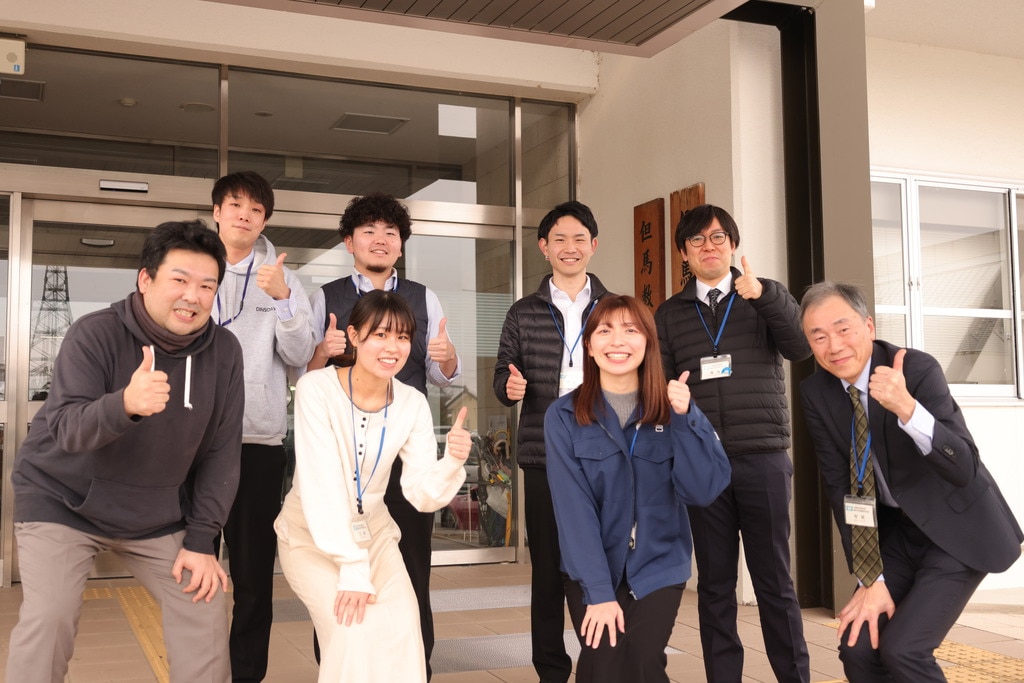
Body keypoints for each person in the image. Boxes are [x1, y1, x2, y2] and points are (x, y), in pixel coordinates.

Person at [5, 220, 245, 683]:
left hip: (157, 515)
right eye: (179, 280)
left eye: (207, 286)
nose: (193, 296)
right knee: (50, 617)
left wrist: (201, 540)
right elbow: (66, 430)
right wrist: (125, 405)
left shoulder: (224, 352)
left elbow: (221, 451)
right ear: (145, 279)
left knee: (205, 609)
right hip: (63, 503)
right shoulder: (94, 334)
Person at [799, 281, 1023, 683]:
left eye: (843, 329)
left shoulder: (915, 369)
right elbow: (838, 487)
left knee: (904, 650)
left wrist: (908, 408)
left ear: (869, 326)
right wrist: (870, 576)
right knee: (857, 647)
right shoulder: (817, 392)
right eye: (819, 337)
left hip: (956, 529)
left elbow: (964, 466)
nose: (834, 346)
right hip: (898, 535)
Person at [275, 290, 468, 683]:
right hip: (310, 536)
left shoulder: (412, 402)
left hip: (375, 535)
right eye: (380, 335)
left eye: (402, 337)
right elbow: (321, 483)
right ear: (354, 336)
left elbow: (420, 492)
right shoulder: (316, 389)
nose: (392, 347)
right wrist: (352, 567)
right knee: (353, 634)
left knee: (404, 632)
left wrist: (451, 462)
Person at [653, 204, 811, 683]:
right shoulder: (670, 313)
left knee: (774, 582)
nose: (709, 247)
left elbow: (800, 347)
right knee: (715, 585)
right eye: (697, 240)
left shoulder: (764, 295)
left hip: (763, 456)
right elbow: (661, 385)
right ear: (684, 253)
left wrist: (765, 296)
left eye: (718, 237)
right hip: (703, 464)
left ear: (734, 245)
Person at [306, 192, 461, 676]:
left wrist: (449, 356)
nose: (380, 239)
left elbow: (442, 377)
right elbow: (305, 377)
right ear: (349, 241)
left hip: (402, 451)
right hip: (343, 456)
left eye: (390, 232)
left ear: (401, 244)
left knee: (412, 565)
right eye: (368, 231)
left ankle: (416, 666)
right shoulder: (325, 298)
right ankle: (338, 664)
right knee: (340, 565)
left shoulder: (424, 297)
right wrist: (322, 352)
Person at [544, 295, 731, 682]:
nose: (618, 341)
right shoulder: (563, 416)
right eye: (605, 331)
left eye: (631, 330)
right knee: (604, 665)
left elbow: (703, 490)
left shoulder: (675, 405)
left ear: (648, 342)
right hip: (593, 566)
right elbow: (573, 510)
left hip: (658, 564)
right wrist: (598, 590)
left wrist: (686, 418)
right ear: (589, 345)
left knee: (642, 662)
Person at [494, 200, 611, 683]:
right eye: (559, 239)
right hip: (545, 453)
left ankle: (601, 663)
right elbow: (502, 374)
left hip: (604, 451)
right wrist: (509, 387)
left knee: (599, 564)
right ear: (544, 247)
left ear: (593, 245)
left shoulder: (614, 308)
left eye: (579, 238)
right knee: (546, 570)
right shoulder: (523, 312)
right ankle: (551, 671)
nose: (570, 247)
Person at [211, 171, 317, 682]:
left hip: (257, 444)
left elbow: (300, 357)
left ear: (265, 220)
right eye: (235, 205)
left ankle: (246, 676)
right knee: (189, 570)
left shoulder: (285, 278)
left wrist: (282, 300)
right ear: (216, 212)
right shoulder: (190, 266)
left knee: (253, 578)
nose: (244, 215)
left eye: (256, 209)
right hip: (192, 444)